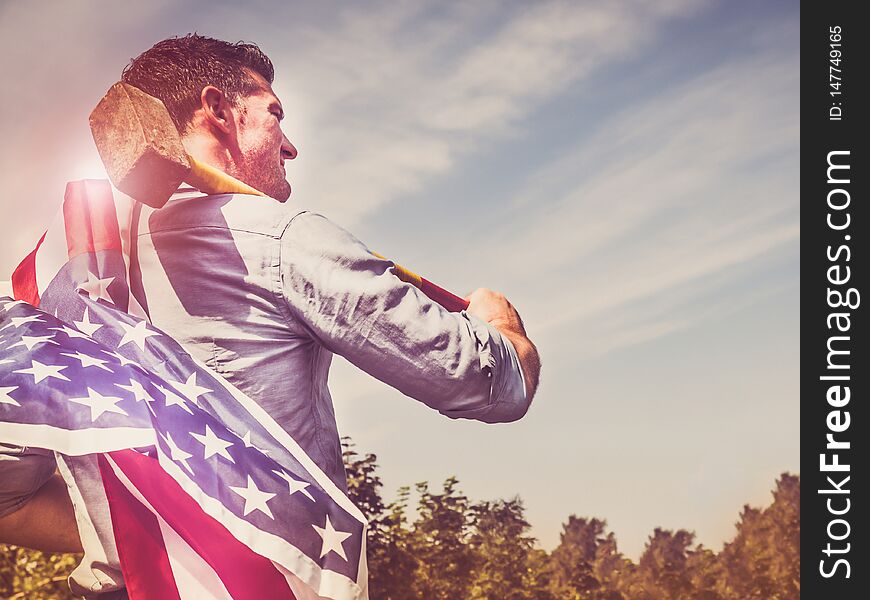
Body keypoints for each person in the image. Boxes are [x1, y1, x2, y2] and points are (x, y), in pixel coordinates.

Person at [0, 34, 541, 595]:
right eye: (273, 115)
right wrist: (500, 326)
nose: (290, 148)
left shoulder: (61, 275)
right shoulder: (285, 241)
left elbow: (6, 500)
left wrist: (152, 524)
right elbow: (491, 386)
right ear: (216, 110)